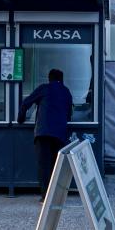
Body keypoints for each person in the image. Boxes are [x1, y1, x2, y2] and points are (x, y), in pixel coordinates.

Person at [17, 69, 73, 201]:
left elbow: (26, 103)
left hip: (43, 132)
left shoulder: (44, 89)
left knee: (44, 165)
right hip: (59, 133)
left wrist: (20, 119)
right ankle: (56, 194)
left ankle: (45, 196)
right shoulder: (66, 92)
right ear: (62, 79)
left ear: (49, 79)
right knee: (55, 164)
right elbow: (69, 114)